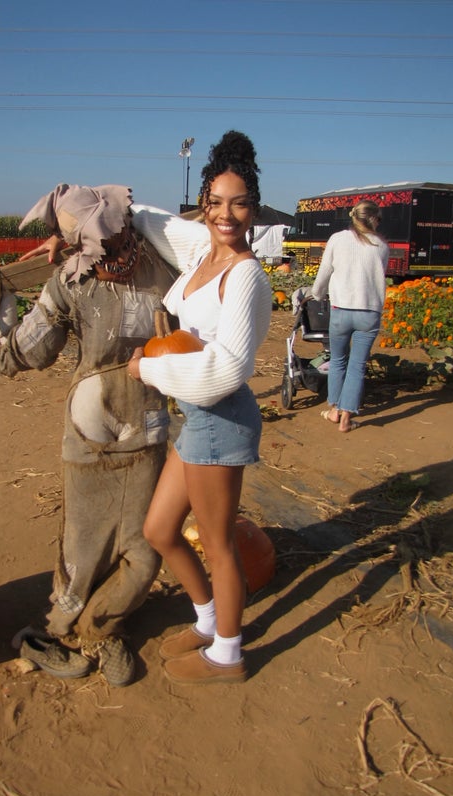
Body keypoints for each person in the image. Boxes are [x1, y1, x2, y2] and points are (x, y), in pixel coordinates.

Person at [0, 183, 205, 687]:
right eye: (94, 245)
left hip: (147, 429)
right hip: (90, 433)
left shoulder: (162, 269)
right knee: (83, 552)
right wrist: (5, 318)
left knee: (145, 550)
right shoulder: (69, 283)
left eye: (115, 239)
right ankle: (52, 633)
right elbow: (31, 350)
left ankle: (102, 628)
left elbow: (202, 260)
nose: (110, 253)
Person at [127, 131, 273, 685]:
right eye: (216, 202)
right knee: (160, 530)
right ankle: (208, 620)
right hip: (196, 419)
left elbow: (227, 369)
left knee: (218, 543)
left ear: (253, 209)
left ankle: (228, 656)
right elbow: (154, 221)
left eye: (239, 204)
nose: (226, 215)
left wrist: (148, 371)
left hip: (222, 416)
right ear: (204, 204)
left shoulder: (245, 276)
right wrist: (100, 210)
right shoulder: (200, 255)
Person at [311, 200, 389, 433]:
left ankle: (334, 410)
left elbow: (324, 271)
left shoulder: (337, 239)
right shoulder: (381, 245)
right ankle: (346, 418)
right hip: (369, 313)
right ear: (374, 220)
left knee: (338, 360)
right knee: (357, 365)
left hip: (341, 310)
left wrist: (317, 294)